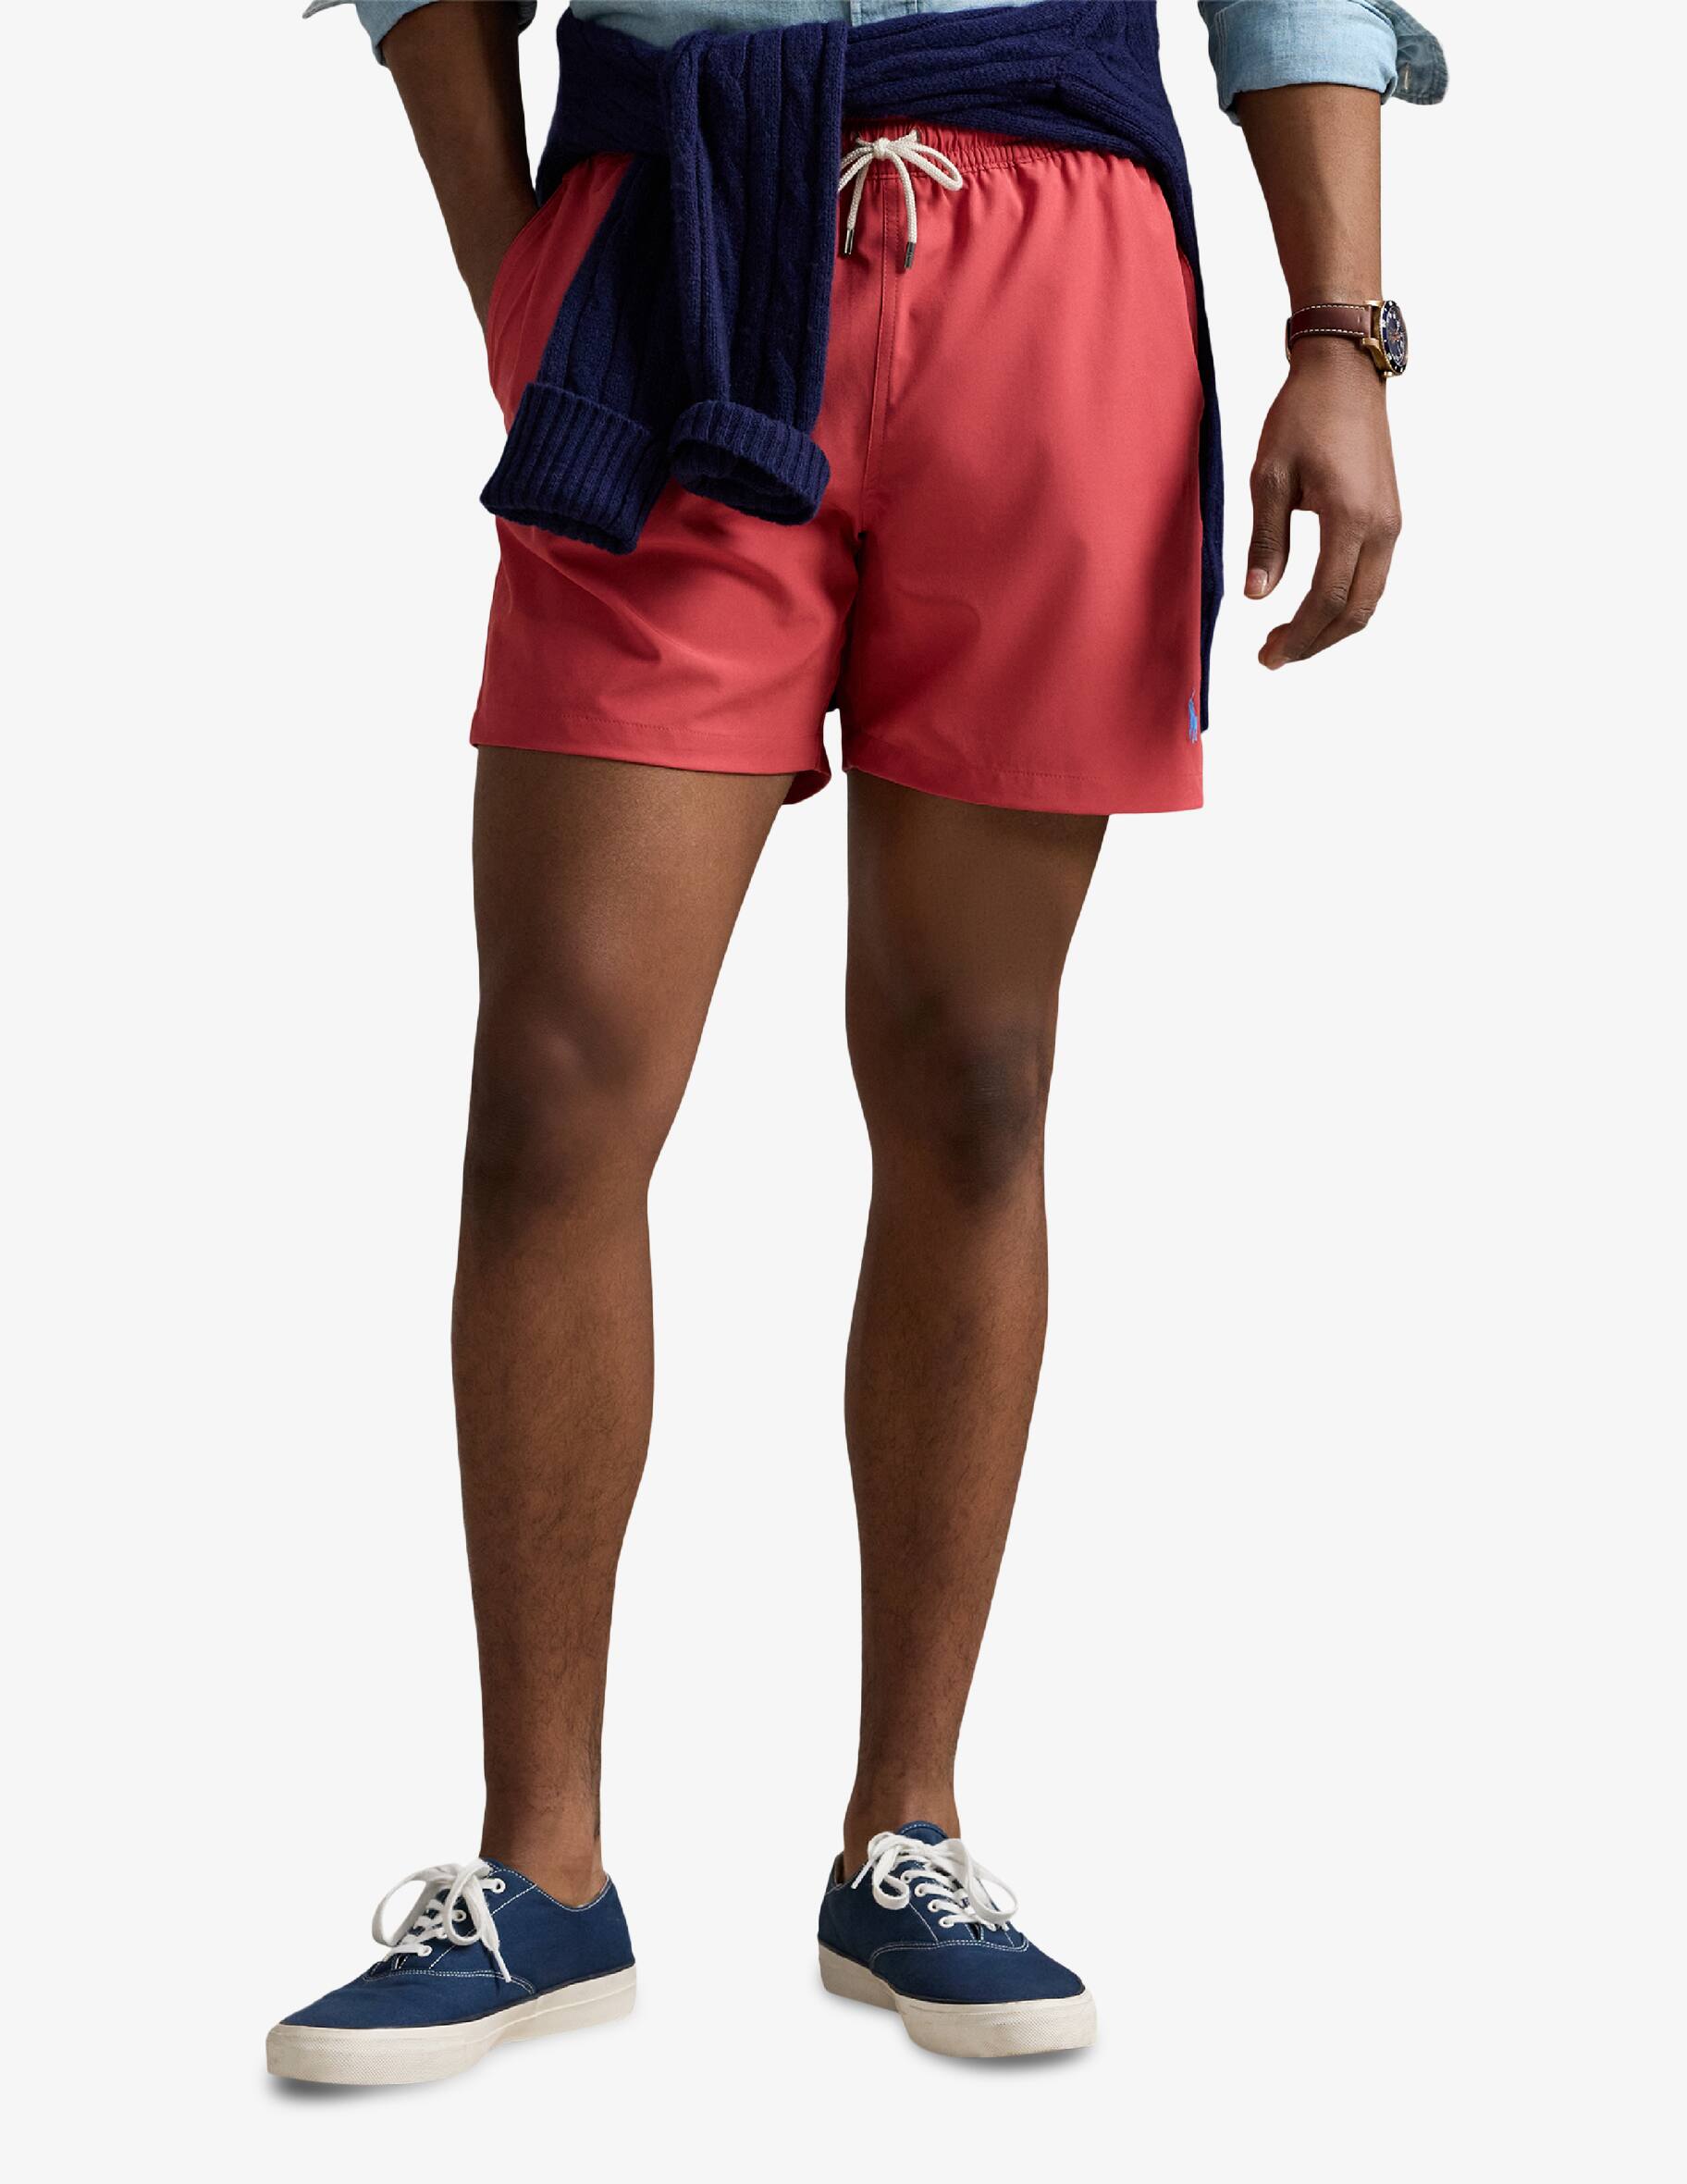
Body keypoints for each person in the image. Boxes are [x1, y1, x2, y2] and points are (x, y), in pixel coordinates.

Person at [268, 0, 1445, 2083]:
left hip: (1056, 259)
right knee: (556, 1074)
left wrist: (1339, 332)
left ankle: (907, 1832)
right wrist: (511, 271)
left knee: (976, 1078)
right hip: (670, 232)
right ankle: (541, 1870)